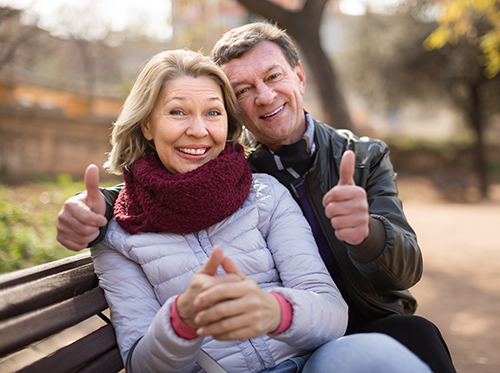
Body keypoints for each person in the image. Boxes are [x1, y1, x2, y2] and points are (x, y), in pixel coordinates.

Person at [56, 23, 455, 373]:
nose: (264, 97)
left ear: (299, 77)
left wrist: (365, 233)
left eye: (274, 76)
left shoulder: (346, 163)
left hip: (340, 331)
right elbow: (146, 193)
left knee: (414, 334)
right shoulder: (236, 171)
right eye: (244, 90)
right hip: (287, 342)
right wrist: (93, 209)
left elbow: (398, 275)